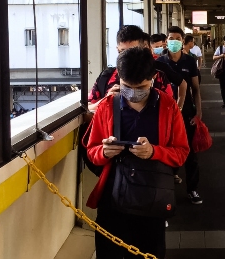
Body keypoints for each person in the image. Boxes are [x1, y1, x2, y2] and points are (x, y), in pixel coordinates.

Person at [85, 47, 190, 258]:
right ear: (119, 79)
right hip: (113, 198)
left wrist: (154, 152)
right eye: (126, 87)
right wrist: (105, 152)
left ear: (153, 78)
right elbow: (92, 152)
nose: (133, 93)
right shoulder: (106, 106)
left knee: (149, 252)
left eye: (140, 87)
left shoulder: (168, 107)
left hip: (153, 198)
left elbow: (181, 152)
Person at [88, 26, 186, 113]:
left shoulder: (158, 77)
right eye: (123, 52)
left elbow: (170, 110)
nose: (128, 57)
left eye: (133, 51)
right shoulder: (106, 77)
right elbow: (88, 107)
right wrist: (105, 101)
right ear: (117, 50)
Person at [157, 26, 204, 205]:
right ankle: (166, 191)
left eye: (177, 38)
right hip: (164, 115)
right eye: (171, 38)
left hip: (186, 113)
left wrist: (199, 112)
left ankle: (193, 189)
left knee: (191, 151)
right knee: (166, 150)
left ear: (182, 41)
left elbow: (196, 89)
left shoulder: (190, 62)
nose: (174, 41)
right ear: (166, 40)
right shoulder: (160, 62)